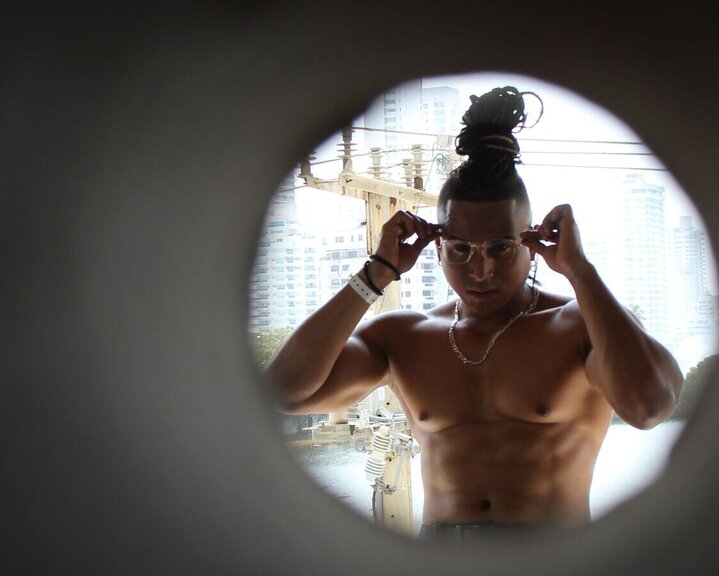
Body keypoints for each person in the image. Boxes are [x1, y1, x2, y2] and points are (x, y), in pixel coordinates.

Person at [266, 86, 684, 542]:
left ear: (532, 243)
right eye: (461, 249)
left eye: (500, 247)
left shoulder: (582, 326)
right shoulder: (402, 337)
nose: (480, 270)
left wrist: (580, 272)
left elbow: (649, 407)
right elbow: (285, 391)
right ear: (437, 248)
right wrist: (376, 273)